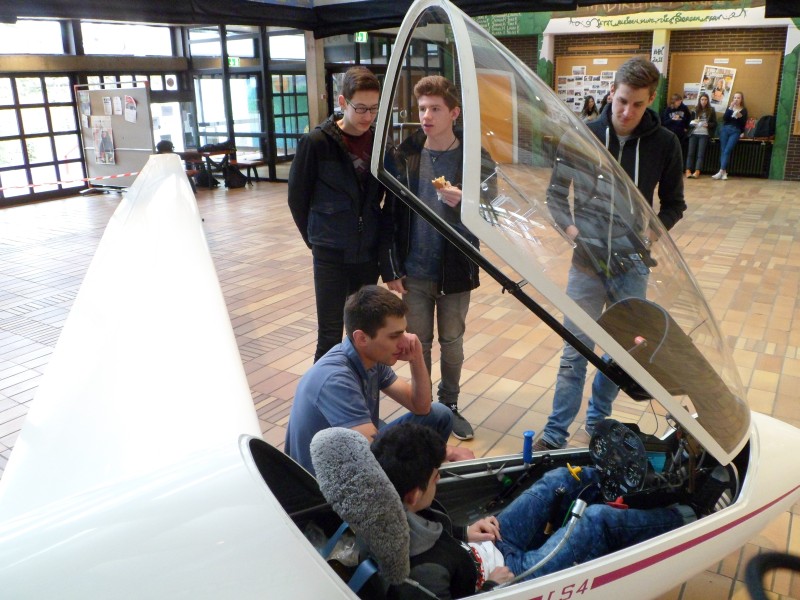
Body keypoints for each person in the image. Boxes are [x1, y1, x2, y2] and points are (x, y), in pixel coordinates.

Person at [536, 57, 686, 451]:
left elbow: (674, 204)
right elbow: (555, 196)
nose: (626, 112)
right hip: (586, 263)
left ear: (651, 100)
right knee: (575, 349)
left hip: (631, 266)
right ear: (611, 92)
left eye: (637, 104)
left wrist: (650, 234)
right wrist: (574, 234)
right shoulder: (582, 137)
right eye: (621, 101)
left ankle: (597, 419)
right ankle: (555, 432)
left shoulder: (665, 143)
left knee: (624, 350)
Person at [372, 423, 695, 598]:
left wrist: (464, 532)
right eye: (435, 477)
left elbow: (433, 533)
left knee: (559, 479)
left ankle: (638, 488)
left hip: (486, 545)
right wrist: (492, 589)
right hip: (510, 577)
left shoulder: (393, 501)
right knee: (596, 521)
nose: (439, 480)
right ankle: (688, 515)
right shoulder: (421, 578)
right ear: (414, 495)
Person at [381, 75, 495, 441]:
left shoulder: (475, 157)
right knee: (418, 343)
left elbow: (494, 209)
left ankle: (450, 404)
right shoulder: (405, 155)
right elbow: (390, 214)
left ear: (454, 113)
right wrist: (391, 267)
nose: (426, 116)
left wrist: (467, 202)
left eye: (435, 109)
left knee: (452, 342)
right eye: (422, 109)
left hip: (456, 268)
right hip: (414, 270)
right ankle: (425, 407)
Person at [285, 285, 474, 475]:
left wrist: (416, 358)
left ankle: (422, 480)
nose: (404, 342)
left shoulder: (370, 357)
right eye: (394, 336)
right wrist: (444, 452)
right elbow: (375, 455)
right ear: (362, 338)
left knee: (439, 414)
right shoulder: (335, 380)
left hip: (354, 453)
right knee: (405, 454)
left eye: (404, 332)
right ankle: (418, 486)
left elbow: (421, 407)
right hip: (324, 479)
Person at [288, 66, 385, 363]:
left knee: (364, 335)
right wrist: (317, 240)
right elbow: (297, 199)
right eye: (361, 108)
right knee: (329, 336)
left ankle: (360, 390)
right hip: (330, 254)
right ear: (343, 102)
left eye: (374, 108)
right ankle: (323, 391)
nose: (368, 116)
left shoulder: (379, 143)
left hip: (367, 253)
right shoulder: (317, 142)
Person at [713, 92, 748, 181]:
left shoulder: (744, 110)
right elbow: (725, 119)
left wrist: (740, 118)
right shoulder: (730, 107)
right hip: (725, 129)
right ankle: (724, 172)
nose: (736, 99)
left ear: (741, 99)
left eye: (738, 98)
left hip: (735, 131)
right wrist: (730, 108)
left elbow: (743, 123)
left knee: (727, 150)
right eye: (735, 98)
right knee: (723, 150)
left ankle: (721, 171)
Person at [685, 92, 717, 179]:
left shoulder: (711, 110)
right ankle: (688, 170)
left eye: (705, 100)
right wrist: (693, 123)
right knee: (690, 153)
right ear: (699, 100)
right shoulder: (694, 109)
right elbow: (689, 122)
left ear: (708, 101)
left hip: (704, 134)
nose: (704, 101)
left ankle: (697, 171)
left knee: (700, 154)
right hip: (694, 133)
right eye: (702, 99)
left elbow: (714, 123)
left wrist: (708, 125)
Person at [661, 93, 692, 168]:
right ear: (674, 101)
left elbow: (689, 118)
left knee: (679, 150)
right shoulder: (668, 109)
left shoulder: (684, 108)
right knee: (670, 150)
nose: (680, 103)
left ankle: (678, 167)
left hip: (681, 133)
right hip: (671, 132)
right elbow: (664, 122)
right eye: (678, 101)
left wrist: (686, 127)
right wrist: (672, 119)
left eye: (680, 101)